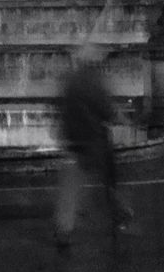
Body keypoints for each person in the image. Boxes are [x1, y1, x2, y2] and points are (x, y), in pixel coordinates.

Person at [53, 44, 132, 247]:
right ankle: (120, 213)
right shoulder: (92, 82)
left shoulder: (69, 81)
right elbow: (106, 109)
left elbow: (58, 108)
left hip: (72, 140)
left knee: (70, 190)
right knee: (108, 180)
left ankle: (64, 230)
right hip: (94, 141)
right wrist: (124, 120)